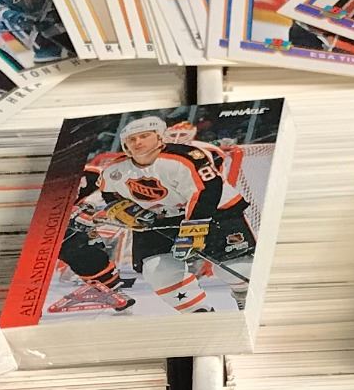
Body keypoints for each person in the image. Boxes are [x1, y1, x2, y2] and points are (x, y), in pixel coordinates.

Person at [58, 115, 256, 314]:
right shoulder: (114, 170)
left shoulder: (187, 156)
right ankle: (199, 314)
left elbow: (208, 190)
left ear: (160, 137)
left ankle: (245, 295)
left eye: (144, 136)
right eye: (132, 139)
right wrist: (119, 210)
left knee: (238, 268)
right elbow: (110, 195)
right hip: (160, 219)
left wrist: (194, 227)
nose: (138, 142)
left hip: (216, 212)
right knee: (158, 271)